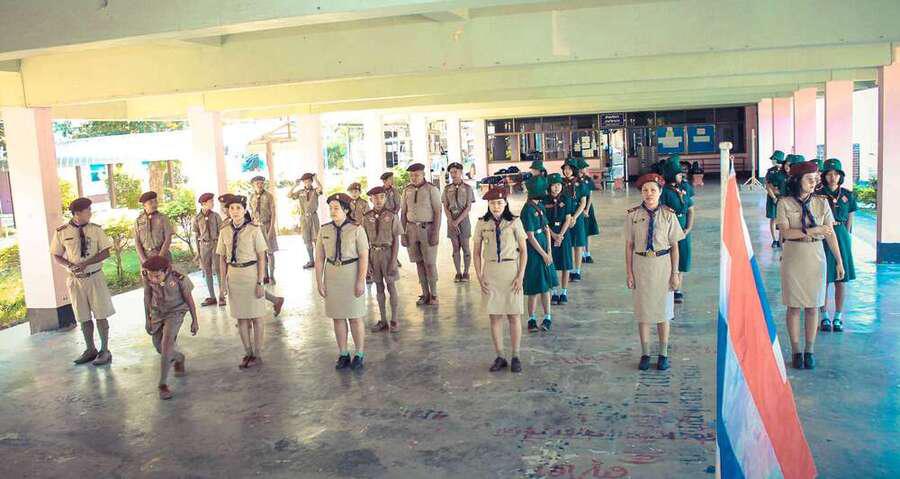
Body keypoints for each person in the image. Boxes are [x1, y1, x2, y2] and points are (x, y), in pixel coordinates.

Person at [775, 159, 845, 370]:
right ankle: (796, 351)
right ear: (797, 180)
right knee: (794, 306)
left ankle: (810, 350)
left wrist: (839, 260)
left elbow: (830, 234)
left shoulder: (822, 203)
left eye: (815, 179)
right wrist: (813, 230)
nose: (814, 182)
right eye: (809, 179)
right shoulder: (784, 203)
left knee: (814, 306)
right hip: (794, 256)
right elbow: (786, 233)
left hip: (816, 256)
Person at [625, 173, 685, 371]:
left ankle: (663, 354)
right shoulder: (633, 216)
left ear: (660, 192)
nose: (649, 193)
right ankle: (645, 353)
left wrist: (675, 273)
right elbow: (629, 246)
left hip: (662, 266)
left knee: (663, 313)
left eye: (653, 190)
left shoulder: (669, 215)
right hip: (641, 266)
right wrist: (629, 273)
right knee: (643, 313)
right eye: (645, 190)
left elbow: (675, 247)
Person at [50, 198, 116, 366]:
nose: (90, 213)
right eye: (88, 210)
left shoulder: (96, 229)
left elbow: (106, 252)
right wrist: (69, 265)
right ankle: (90, 349)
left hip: (95, 277)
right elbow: (56, 254)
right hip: (76, 280)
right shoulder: (62, 232)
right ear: (77, 213)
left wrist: (87, 263)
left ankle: (105, 350)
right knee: (83, 316)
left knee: (101, 314)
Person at [473, 188, 528, 373]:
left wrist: (520, 276)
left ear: (505, 203)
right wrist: (479, 276)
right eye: (492, 203)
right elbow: (476, 252)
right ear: (488, 205)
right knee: (495, 316)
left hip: (511, 271)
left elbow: (524, 251)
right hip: (491, 272)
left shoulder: (515, 221)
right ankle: (500, 356)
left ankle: (516, 355)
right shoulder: (482, 223)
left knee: (514, 315)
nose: (496, 206)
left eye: (499, 203)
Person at [316, 193, 370, 370]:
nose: (332, 211)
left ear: (346, 210)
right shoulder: (324, 230)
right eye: (330, 208)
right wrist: (319, 281)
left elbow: (364, 256)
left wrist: (360, 281)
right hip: (332, 275)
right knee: (338, 317)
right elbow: (319, 258)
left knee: (355, 317)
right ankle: (343, 353)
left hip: (351, 274)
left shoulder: (356, 229)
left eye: (336, 208)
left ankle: (359, 354)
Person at [216, 195, 270, 369]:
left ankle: (257, 354)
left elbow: (261, 257)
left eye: (238, 208)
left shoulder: (254, 230)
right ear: (228, 211)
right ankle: (248, 352)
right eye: (231, 208)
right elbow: (222, 259)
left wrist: (260, 282)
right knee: (241, 318)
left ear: (244, 210)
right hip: (234, 276)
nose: (235, 211)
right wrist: (222, 284)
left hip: (251, 275)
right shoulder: (224, 231)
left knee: (256, 317)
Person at [141, 255, 198, 400]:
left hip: (176, 311)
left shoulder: (179, 277)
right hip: (157, 312)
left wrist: (194, 320)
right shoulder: (147, 275)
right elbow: (147, 295)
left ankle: (162, 384)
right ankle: (179, 358)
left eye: (157, 276)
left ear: (166, 271)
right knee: (159, 347)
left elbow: (189, 299)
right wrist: (147, 318)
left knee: (166, 344)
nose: (153, 279)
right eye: (151, 276)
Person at [817, 158, 857, 333]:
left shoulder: (848, 195)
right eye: (829, 174)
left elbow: (850, 219)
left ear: (841, 176)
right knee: (823, 278)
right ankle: (824, 315)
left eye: (836, 174)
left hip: (841, 235)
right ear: (824, 176)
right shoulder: (817, 194)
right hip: (824, 234)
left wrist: (846, 236)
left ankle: (838, 317)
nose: (832, 177)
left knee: (841, 279)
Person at [401, 162, 442, 305]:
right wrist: (402, 233)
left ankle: (434, 294)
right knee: (418, 262)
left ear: (423, 174)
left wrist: (435, 232)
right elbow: (403, 213)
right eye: (411, 175)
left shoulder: (431, 189)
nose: (414, 178)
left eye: (417, 175)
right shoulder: (407, 190)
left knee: (430, 263)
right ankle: (425, 293)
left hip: (427, 229)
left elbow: (438, 212)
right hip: (411, 230)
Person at [521, 173, 558, 332]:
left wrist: (549, 250)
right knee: (534, 287)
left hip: (544, 247)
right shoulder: (527, 210)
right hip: (534, 251)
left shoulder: (540, 206)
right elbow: (529, 236)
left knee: (546, 286)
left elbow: (546, 229)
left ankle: (547, 317)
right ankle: (532, 319)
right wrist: (543, 254)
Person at [363, 187, 403, 333]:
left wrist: (393, 261)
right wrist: (367, 263)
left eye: (381, 197)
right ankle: (383, 320)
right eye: (375, 198)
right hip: (374, 255)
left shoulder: (392, 216)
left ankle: (394, 319)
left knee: (391, 286)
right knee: (379, 288)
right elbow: (364, 242)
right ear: (370, 200)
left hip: (388, 254)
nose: (378, 200)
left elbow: (396, 240)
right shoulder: (366, 217)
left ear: (385, 198)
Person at [660, 157, 695, 304]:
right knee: (670, 257)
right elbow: (661, 209)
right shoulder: (664, 191)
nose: (682, 176)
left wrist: (689, 228)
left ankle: (678, 288)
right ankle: (669, 288)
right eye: (678, 174)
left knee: (683, 257)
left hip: (684, 229)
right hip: (669, 228)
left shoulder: (684, 188)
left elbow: (691, 209)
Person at [543, 173, 574, 305]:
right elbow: (544, 221)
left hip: (564, 235)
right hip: (549, 234)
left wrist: (560, 235)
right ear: (549, 186)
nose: (556, 187)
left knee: (566, 264)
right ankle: (554, 292)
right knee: (552, 264)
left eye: (559, 185)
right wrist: (553, 235)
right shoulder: (544, 200)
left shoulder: (566, 199)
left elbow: (568, 218)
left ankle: (564, 292)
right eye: (554, 185)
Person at [442, 161, 476, 282]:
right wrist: (451, 221)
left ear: (461, 172)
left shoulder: (467, 188)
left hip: (464, 220)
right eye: (451, 172)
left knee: (465, 247)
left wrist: (457, 221)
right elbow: (445, 206)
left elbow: (468, 207)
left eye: (455, 172)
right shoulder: (447, 189)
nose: (453, 174)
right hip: (451, 220)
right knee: (455, 247)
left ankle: (466, 272)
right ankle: (458, 272)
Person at [192, 192, 225, 306]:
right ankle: (212, 296)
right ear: (204, 203)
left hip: (215, 244)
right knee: (207, 271)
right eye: (211, 202)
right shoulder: (197, 218)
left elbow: (221, 233)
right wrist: (198, 252)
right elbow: (196, 236)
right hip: (204, 246)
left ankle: (222, 296)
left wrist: (222, 248)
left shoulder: (216, 216)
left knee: (219, 270)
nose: (213, 203)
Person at [561, 158, 589, 281]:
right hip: (564, 217)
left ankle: (576, 271)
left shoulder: (581, 183)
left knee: (578, 244)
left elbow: (583, 203)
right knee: (567, 244)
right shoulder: (560, 183)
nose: (567, 171)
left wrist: (574, 217)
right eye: (565, 169)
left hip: (577, 217)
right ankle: (568, 268)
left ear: (574, 169)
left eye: (569, 169)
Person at [288, 172, 322, 269]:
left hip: (313, 217)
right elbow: (289, 195)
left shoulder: (315, 191)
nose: (307, 183)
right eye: (305, 181)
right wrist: (295, 185)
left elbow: (320, 189)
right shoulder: (300, 192)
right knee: (307, 240)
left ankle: (319, 260)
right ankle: (311, 260)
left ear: (311, 181)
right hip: (304, 218)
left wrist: (316, 179)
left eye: (309, 181)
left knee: (316, 239)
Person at [249, 176, 279, 284]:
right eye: (257, 183)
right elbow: (252, 213)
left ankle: (272, 276)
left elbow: (273, 213)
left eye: (261, 183)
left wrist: (271, 229)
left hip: (267, 225)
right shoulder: (252, 197)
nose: (260, 185)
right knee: (261, 253)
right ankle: (265, 275)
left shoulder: (269, 196)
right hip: (257, 227)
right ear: (253, 185)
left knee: (270, 252)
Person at [134, 191, 174, 264]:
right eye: (151, 202)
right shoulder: (138, 221)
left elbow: (168, 238)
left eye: (155, 201)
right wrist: (144, 260)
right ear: (144, 205)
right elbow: (137, 242)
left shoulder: (163, 218)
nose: (154, 204)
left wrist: (160, 257)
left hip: (162, 255)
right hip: (146, 257)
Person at [577, 157, 600, 264]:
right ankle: (581, 253)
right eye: (583, 167)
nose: (585, 169)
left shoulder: (588, 179)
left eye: (585, 167)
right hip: (578, 208)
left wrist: (586, 209)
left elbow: (590, 195)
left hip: (588, 207)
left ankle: (587, 253)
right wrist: (582, 209)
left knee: (588, 231)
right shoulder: (575, 180)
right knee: (581, 231)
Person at [764, 151, 788, 247]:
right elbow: (767, 185)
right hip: (772, 197)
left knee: (782, 219)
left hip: (783, 198)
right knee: (773, 218)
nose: (773, 161)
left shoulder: (786, 171)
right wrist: (773, 197)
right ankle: (774, 240)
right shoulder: (771, 171)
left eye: (774, 159)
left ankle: (781, 239)